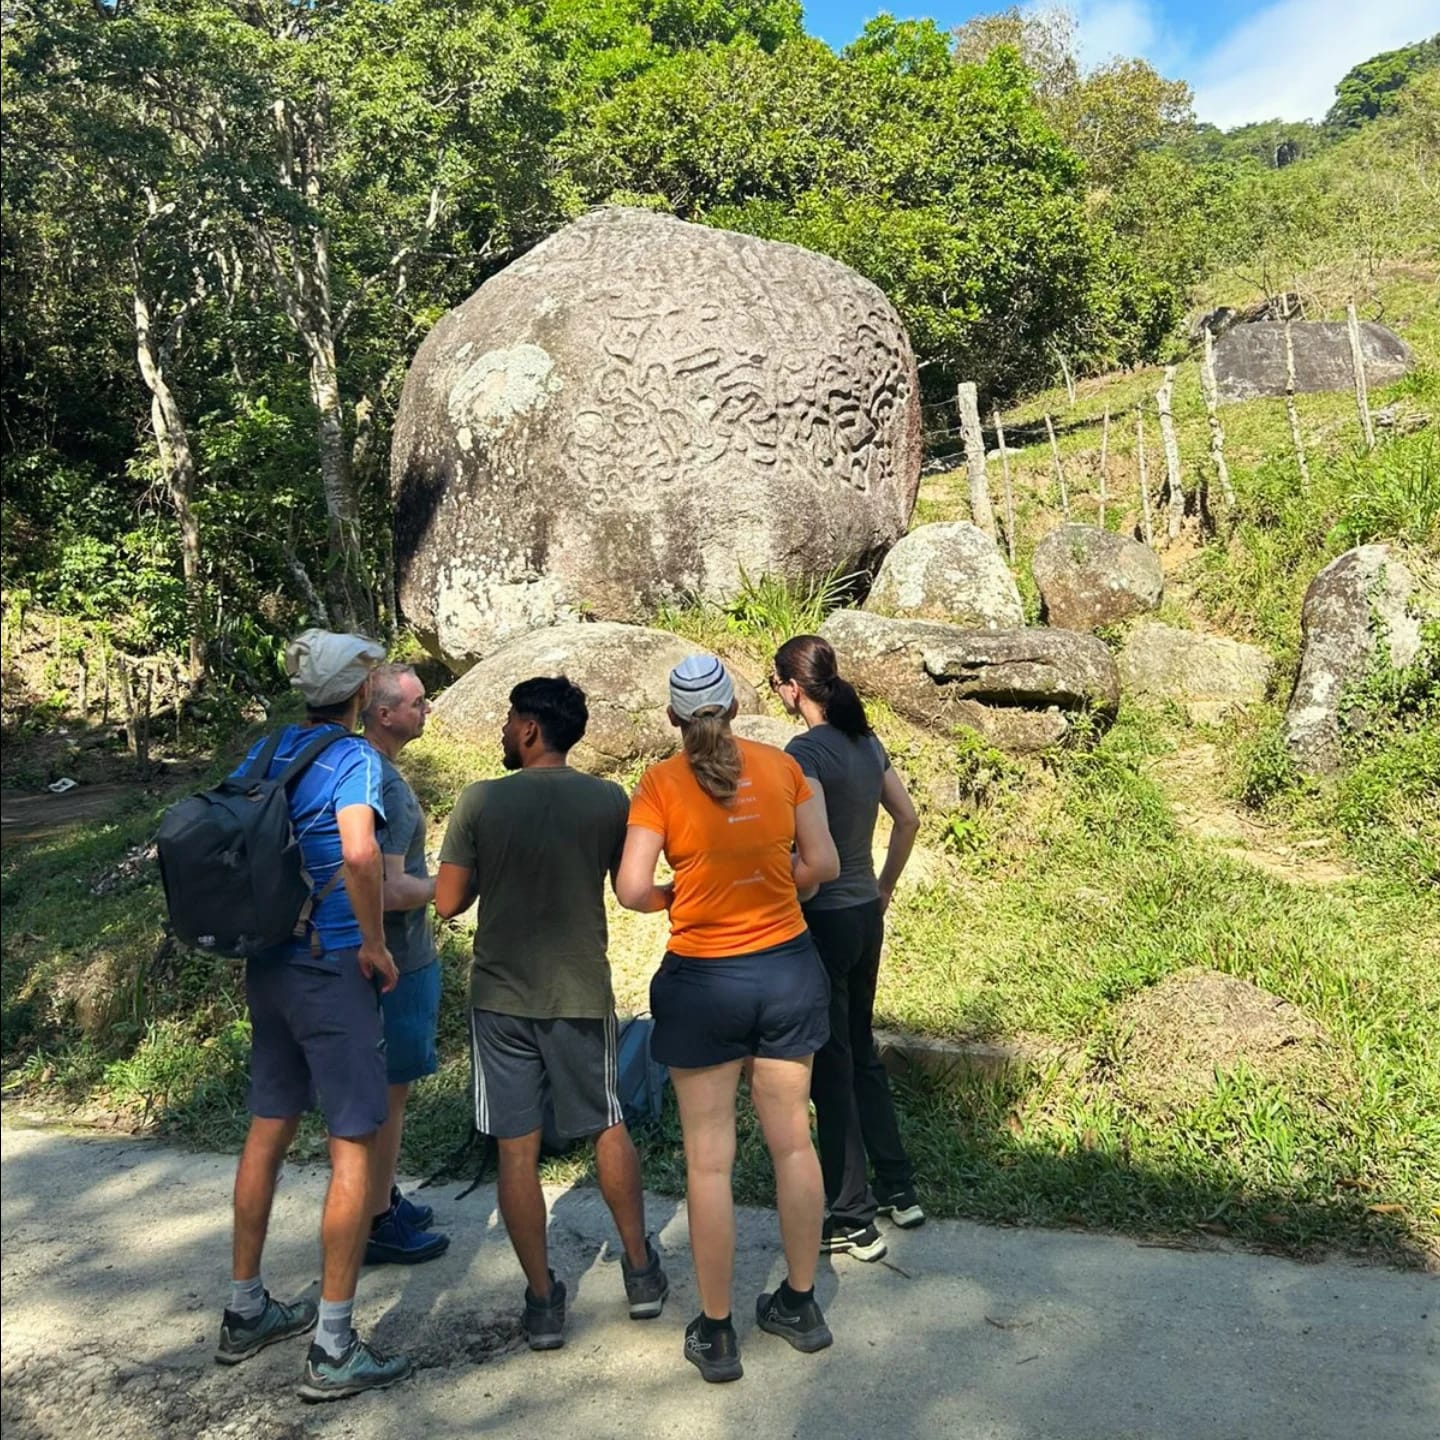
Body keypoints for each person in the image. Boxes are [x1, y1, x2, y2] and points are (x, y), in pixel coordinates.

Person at [616, 654, 841, 1384]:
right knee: (794, 1144)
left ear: (672, 718)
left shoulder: (659, 783)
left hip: (703, 981)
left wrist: (678, 898)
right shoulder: (783, 768)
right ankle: (800, 1306)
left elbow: (630, 889)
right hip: (786, 972)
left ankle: (717, 1332)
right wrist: (776, 881)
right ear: (737, 707)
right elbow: (823, 865)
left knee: (709, 1161)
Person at [434, 675, 667, 1351]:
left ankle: (541, 1303)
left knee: (517, 1148)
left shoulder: (481, 801)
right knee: (607, 1123)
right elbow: (628, 886)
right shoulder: (607, 799)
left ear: (531, 729)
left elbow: (447, 903)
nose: (504, 729)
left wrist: (491, 867)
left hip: (500, 1001)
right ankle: (641, 1273)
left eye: (510, 719)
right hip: (580, 994)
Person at [216, 628, 412, 1403]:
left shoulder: (265, 752)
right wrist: (375, 944)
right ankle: (333, 1347)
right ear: (361, 694)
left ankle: (245, 1310)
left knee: (268, 1128)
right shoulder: (354, 759)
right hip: (331, 967)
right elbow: (360, 855)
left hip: (266, 961)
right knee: (353, 1142)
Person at [771, 634, 923, 1263]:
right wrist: (884, 886)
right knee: (861, 1052)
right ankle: (899, 1188)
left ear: (792, 688)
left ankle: (852, 1216)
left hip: (824, 920)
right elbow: (908, 818)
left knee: (830, 1067)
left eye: (776, 683)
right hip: (865, 913)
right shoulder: (866, 742)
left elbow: (799, 845)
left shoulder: (804, 752)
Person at [360, 663, 449, 1266]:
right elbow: (390, 889)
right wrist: (449, 885)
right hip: (400, 958)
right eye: (416, 703)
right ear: (385, 714)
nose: (426, 710)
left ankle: (383, 1196)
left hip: (386, 955)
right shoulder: (384, 782)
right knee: (390, 1095)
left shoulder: (363, 767)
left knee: (388, 1089)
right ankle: (375, 1220)